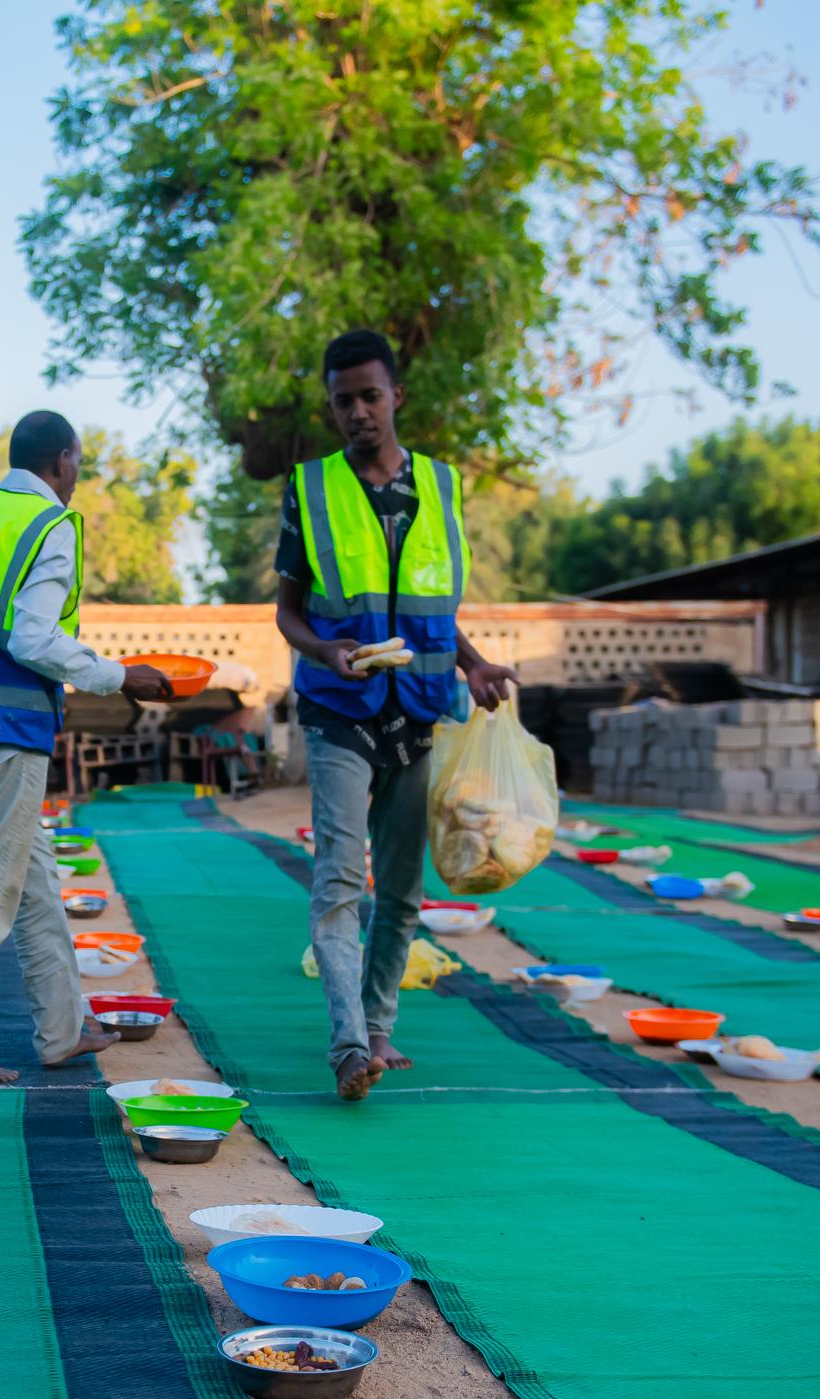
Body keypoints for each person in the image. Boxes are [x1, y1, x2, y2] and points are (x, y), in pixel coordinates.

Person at [274, 329, 519, 1101]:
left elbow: (437, 611)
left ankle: (380, 1027)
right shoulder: (310, 489)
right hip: (339, 708)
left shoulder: (441, 489)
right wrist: (323, 651)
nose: (357, 412)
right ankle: (349, 1046)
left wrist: (474, 664)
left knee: (404, 889)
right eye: (343, 400)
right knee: (341, 878)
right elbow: (286, 611)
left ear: (396, 397)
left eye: (369, 396)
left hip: (419, 712)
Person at [0, 409, 172, 1085]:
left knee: (36, 880)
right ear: (64, 460)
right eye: (78, 465)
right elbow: (32, 640)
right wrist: (118, 675)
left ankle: (62, 1029)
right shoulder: (52, 526)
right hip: (8, 731)